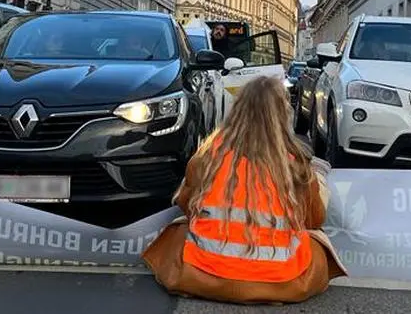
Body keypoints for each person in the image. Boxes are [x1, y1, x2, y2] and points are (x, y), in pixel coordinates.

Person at [142, 75, 346, 304]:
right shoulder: (295, 164)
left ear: (236, 111)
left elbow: (186, 204)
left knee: (179, 229)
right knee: (316, 240)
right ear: (282, 115)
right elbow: (313, 220)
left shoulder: (209, 156)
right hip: (281, 281)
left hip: (201, 273)